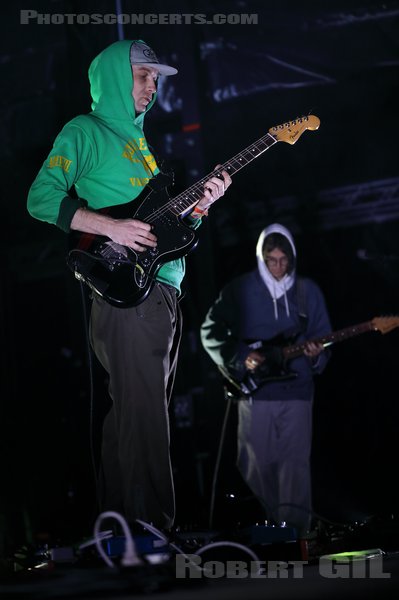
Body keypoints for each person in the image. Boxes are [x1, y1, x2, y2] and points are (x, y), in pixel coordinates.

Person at [27, 39, 232, 530]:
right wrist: (110, 227)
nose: (153, 87)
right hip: (130, 294)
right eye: (144, 76)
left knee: (133, 415)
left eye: (157, 79)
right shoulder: (85, 131)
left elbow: (169, 233)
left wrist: (200, 207)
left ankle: (121, 533)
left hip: (160, 292)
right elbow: (39, 197)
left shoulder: (144, 150)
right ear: (118, 78)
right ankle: (152, 534)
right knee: (144, 418)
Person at [200, 223, 332, 535]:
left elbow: (322, 337)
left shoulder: (307, 291)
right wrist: (241, 354)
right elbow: (210, 331)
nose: (277, 267)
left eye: (283, 260)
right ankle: (277, 524)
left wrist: (317, 355)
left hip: (298, 389)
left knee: (294, 467)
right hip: (256, 393)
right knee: (252, 464)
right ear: (261, 259)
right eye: (271, 260)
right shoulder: (240, 289)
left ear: (292, 259)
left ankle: (296, 535)